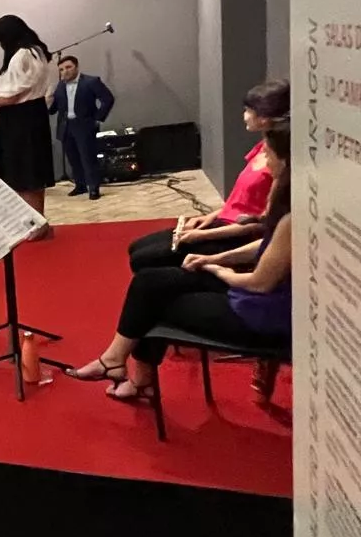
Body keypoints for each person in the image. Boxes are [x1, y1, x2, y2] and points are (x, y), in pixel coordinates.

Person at [70, 127, 293, 402]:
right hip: (250, 292)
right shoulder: (286, 208)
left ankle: (126, 370)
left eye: (269, 155)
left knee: (152, 297)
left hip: (261, 313)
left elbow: (259, 282)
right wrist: (214, 260)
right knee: (151, 282)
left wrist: (217, 269)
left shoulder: (292, 219)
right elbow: (265, 247)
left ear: (287, 161)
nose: (265, 162)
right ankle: (120, 364)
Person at [129, 80, 290, 270]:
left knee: (144, 259)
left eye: (248, 110)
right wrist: (210, 217)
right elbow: (239, 202)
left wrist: (202, 236)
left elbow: (261, 223)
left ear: (264, 118)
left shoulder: (280, 165)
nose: (244, 116)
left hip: (237, 236)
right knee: (137, 248)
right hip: (223, 224)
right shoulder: (261, 148)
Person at [0, 14, 57, 231]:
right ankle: (34, 221)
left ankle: (37, 223)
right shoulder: (33, 51)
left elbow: (13, 97)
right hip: (22, 115)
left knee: (26, 172)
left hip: (23, 119)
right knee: (23, 171)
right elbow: (17, 94)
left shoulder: (25, 54)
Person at [50, 55, 117, 200]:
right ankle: (80, 185)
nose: (65, 71)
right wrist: (47, 102)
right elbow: (54, 109)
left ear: (76, 67)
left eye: (68, 67)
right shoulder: (60, 86)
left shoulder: (91, 81)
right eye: (61, 69)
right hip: (66, 127)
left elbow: (108, 99)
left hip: (84, 125)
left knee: (88, 158)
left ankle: (93, 188)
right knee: (73, 158)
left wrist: (98, 118)